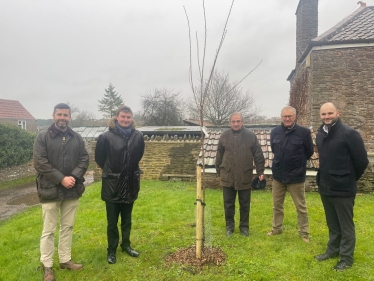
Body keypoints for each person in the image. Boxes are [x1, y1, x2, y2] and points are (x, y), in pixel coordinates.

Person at [33, 103, 89, 281]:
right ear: (53, 115)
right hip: (49, 190)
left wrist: (73, 176)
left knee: (68, 227)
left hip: (72, 190)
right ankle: (47, 266)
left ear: (70, 117)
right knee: (48, 230)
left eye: (65, 115)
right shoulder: (42, 137)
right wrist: (61, 179)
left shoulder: (77, 138)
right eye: (59, 115)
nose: (62, 118)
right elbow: (40, 163)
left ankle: (65, 260)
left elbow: (84, 159)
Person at [314, 102, 368, 271]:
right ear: (320, 116)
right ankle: (332, 251)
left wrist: (349, 178)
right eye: (323, 114)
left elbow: (362, 161)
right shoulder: (320, 134)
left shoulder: (349, 134)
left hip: (343, 189)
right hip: (325, 187)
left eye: (330, 113)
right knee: (332, 224)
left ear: (337, 112)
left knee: (346, 226)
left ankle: (346, 258)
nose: (327, 117)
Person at [95, 105, 144, 264]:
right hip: (112, 185)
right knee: (112, 222)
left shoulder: (138, 136)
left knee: (127, 219)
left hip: (130, 183)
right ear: (117, 117)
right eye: (122, 117)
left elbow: (138, 155)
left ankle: (126, 245)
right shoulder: (105, 137)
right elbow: (100, 158)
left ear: (132, 119)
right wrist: (113, 172)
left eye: (128, 117)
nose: (125, 120)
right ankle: (111, 250)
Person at [267, 106, 314, 243]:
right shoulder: (275, 132)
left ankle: (304, 232)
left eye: (290, 116)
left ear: (295, 117)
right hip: (278, 176)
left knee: (301, 206)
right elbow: (274, 149)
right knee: (277, 205)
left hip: (296, 176)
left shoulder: (304, 132)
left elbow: (309, 151)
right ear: (281, 117)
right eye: (284, 116)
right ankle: (276, 229)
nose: (287, 119)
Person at [215, 112, 265, 237]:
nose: (236, 124)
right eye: (233, 121)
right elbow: (219, 155)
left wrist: (260, 172)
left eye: (238, 121)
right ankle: (229, 227)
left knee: (244, 204)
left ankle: (244, 227)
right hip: (228, 176)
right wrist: (219, 171)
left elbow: (258, 155)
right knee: (228, 204)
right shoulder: (224, 136)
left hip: (245, 175)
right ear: (230, 123)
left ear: (242, 122)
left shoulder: (251, 136)